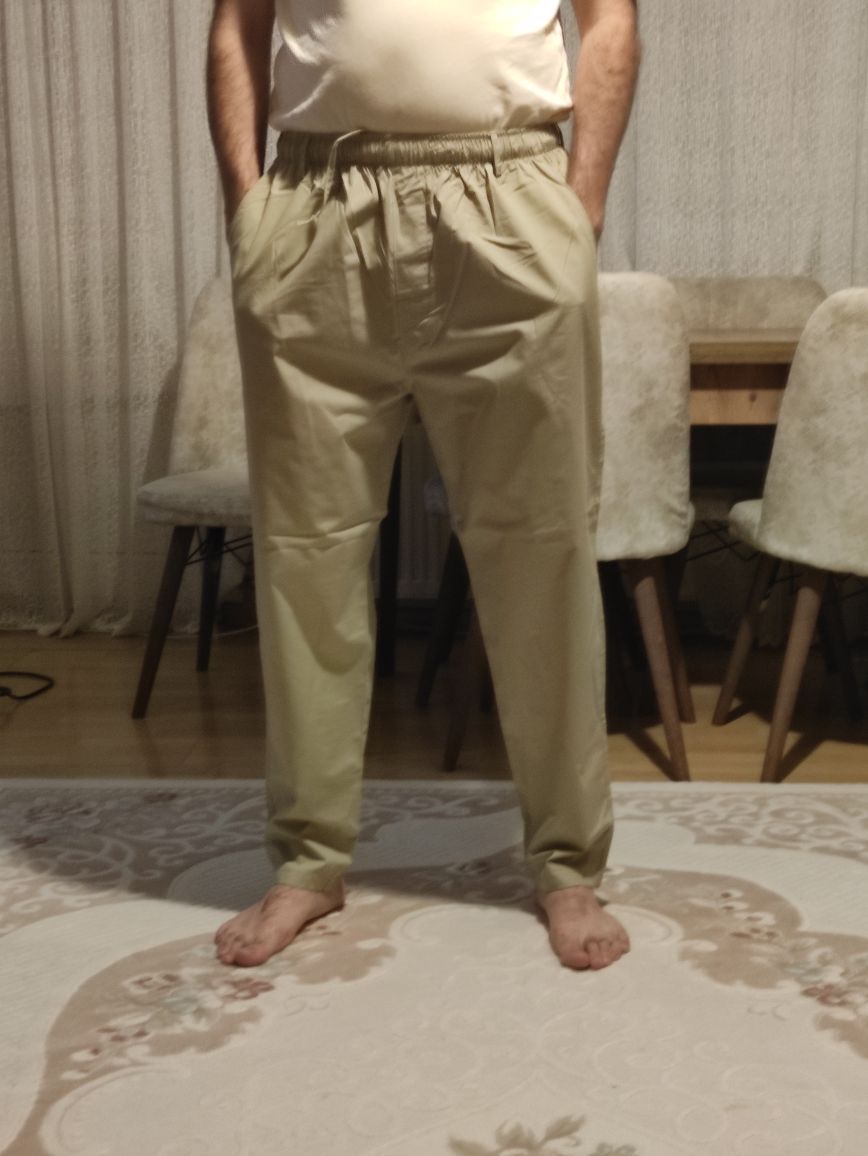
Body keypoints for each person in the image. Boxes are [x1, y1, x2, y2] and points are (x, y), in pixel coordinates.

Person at [207, 0, 639, 971]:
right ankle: (307, 861)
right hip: (315, 200)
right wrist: (247, 202)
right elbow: (237, 23)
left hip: (509, 192)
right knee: (305, 551)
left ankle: (567, 864)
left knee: (542, 546)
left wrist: (581, 204)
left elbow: (610, 20)